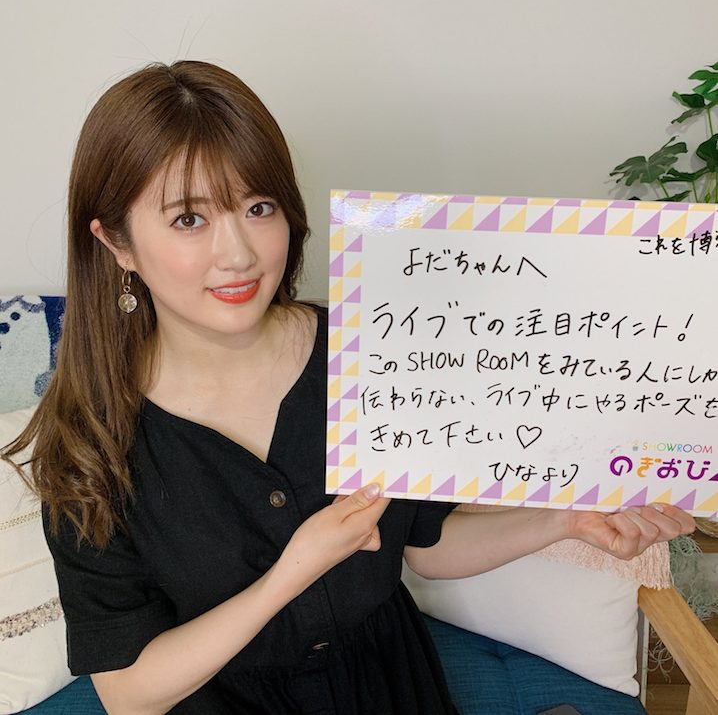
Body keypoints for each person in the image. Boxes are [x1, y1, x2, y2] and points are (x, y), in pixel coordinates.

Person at [2, 61, 694, 715]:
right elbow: (131, 694)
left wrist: (564, 521)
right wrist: (294, 570)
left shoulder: (371, 352)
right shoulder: (87, 436)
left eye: (259, 207)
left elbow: (427, 547)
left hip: (390, 684)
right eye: (189, 219)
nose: (239, 253)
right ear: (117, 244)